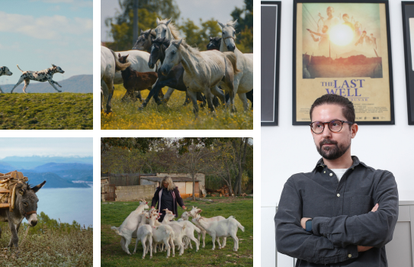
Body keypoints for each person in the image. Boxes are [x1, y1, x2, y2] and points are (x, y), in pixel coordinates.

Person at [275, 94, 398, 266]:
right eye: (318, 125)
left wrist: (313, 224)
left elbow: (381, 228)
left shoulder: (380, 179)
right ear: (312, 131)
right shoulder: (296, 184)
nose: (325, 133)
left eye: (335, 124)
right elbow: (285, 240)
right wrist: (351, 250)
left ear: (353, 130)